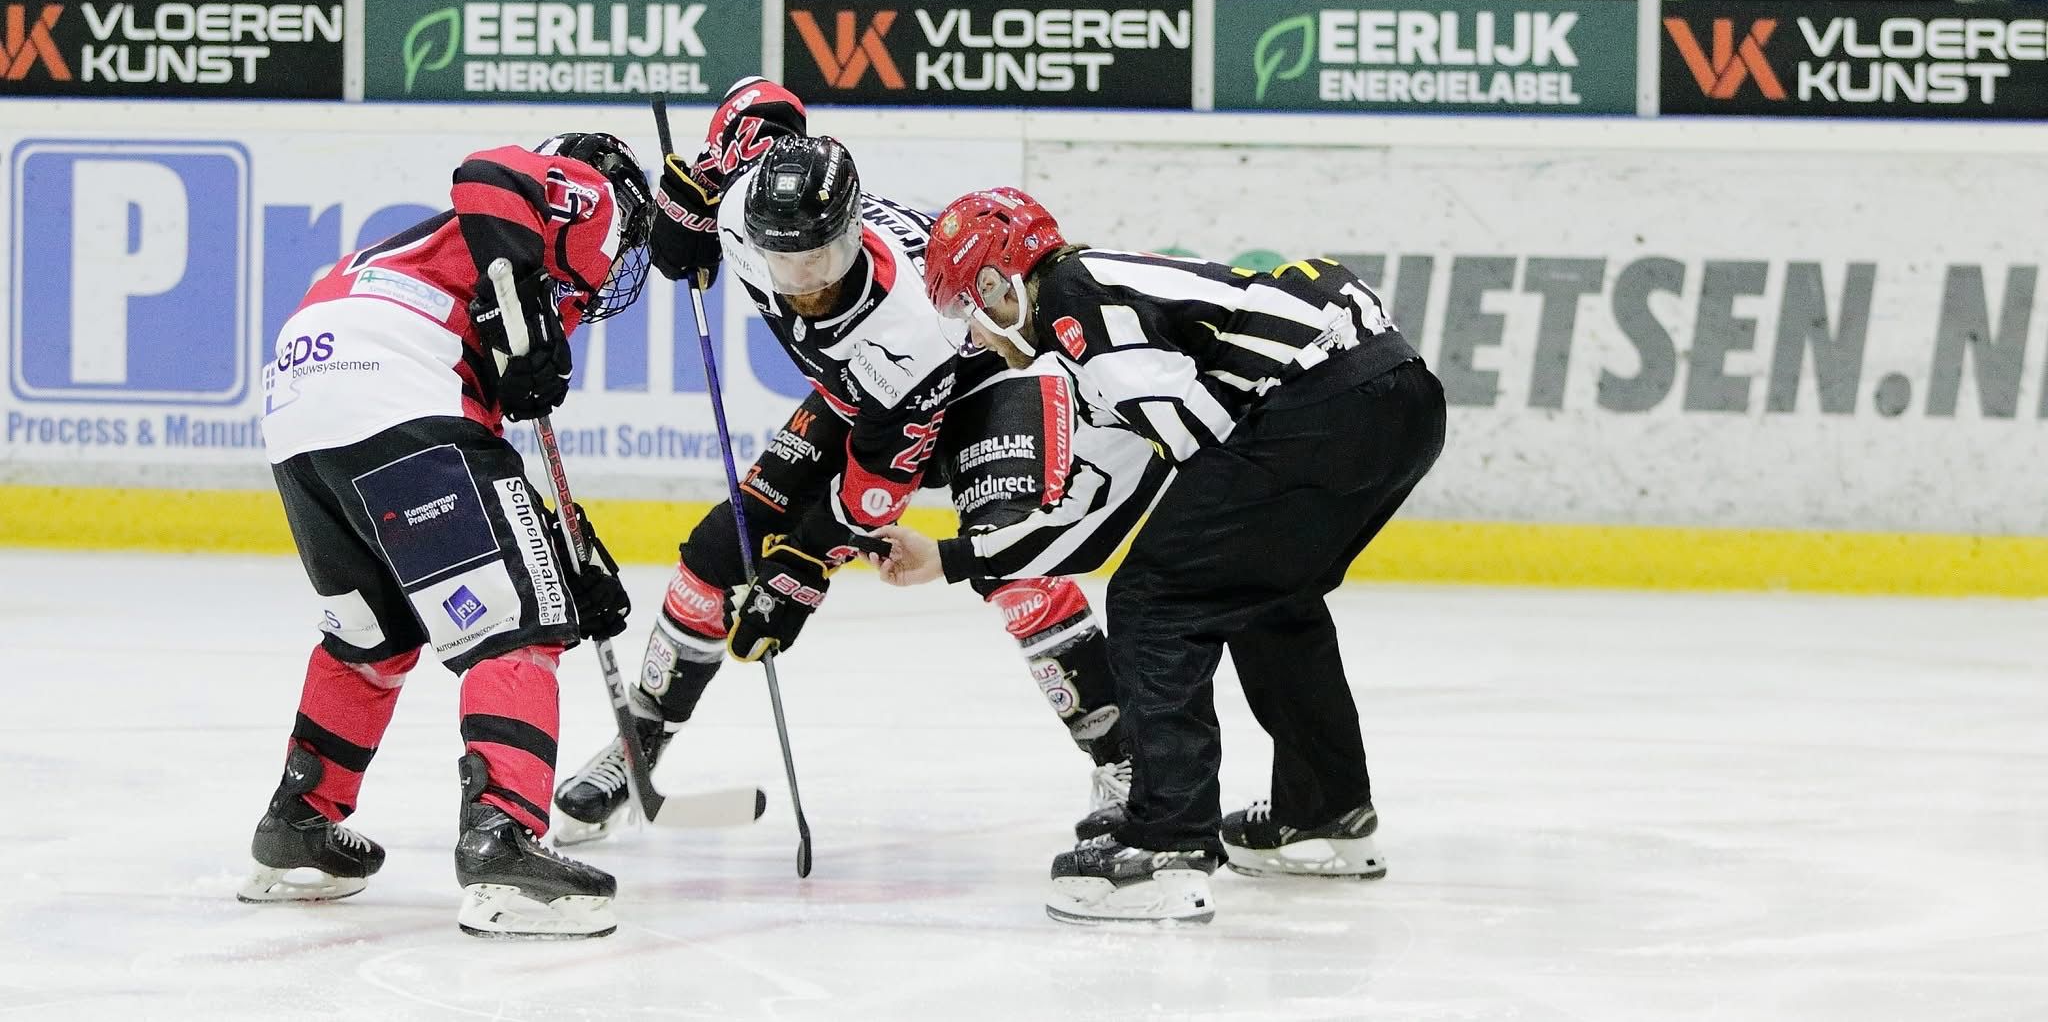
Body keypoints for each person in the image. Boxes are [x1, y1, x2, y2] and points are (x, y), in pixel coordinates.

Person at [551, 80, 1166, 844]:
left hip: (987, 376)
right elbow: (763, 103)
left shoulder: (907, 326)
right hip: (859, 390)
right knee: (713, 552)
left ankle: (1125, 760)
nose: (808, 281)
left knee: (1013, 562)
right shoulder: (747, 207)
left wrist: (804, 569)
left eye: (825, 257)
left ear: (852, 229)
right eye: (788, 263)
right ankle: (638, 742)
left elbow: (878, 488)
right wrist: (692, 207)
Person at [873, 187, 1447, 925]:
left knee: (1154, 602)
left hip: (1323, 402)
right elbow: (1109, 509)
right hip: (1396, 397)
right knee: (1267, 596)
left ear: (998, 283)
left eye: (965, 309)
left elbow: (1182, 449)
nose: (974, 336)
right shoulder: (1096, 322)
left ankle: (1166, 845)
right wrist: (953, 556)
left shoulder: (1076, 298)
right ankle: (1323, 812)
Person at [240, 133, 653, 940]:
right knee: (517, 621)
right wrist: (520, 286)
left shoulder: (440, 258)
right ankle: (503, 837)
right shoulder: (584, 196)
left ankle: (298, 821)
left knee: (375, 632)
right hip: (393, 383)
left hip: (303, 404)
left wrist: (556, 545)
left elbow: (470, 465)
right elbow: (491, 170)